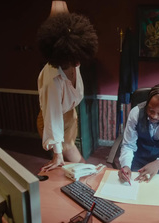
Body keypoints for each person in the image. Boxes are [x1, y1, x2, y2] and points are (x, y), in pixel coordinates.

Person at [36, 13, 98, 172]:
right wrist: (57, 152)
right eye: (72, 60)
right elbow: (52, 116)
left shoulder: (73, 58)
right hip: (53, 121)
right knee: (79, 165)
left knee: (70, 167)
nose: (77, 63)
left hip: (69, 116)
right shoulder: (52, 80)